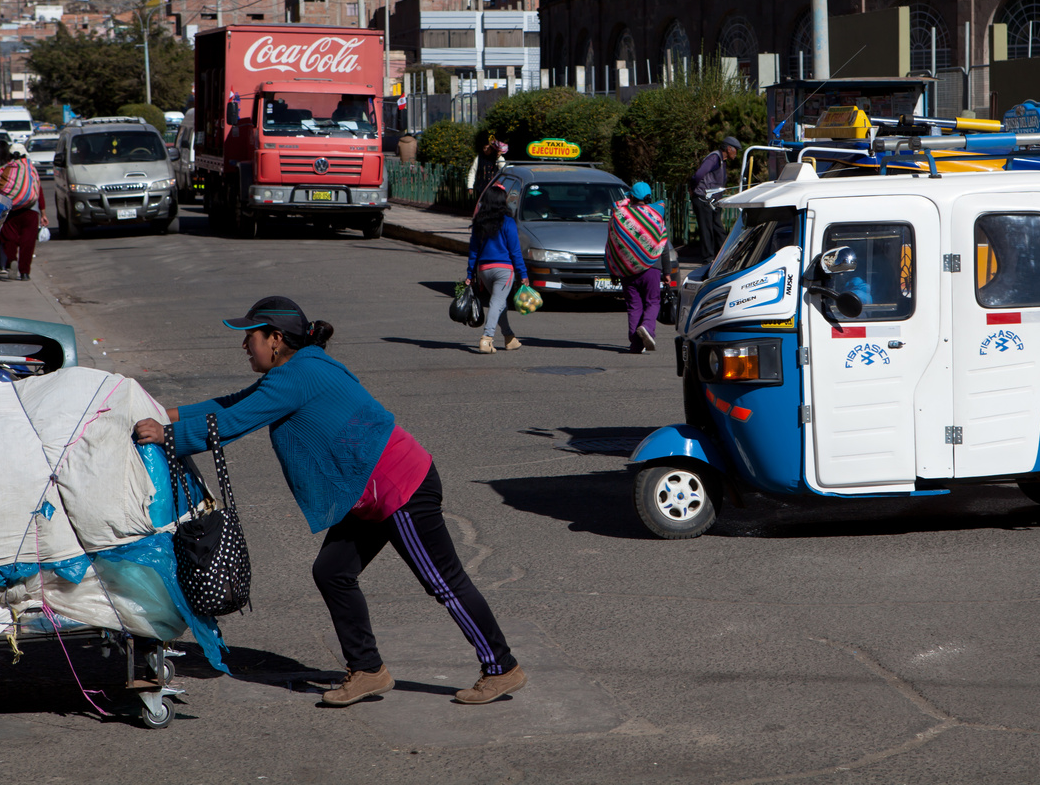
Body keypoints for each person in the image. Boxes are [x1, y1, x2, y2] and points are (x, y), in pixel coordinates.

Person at [130, 296, 525, 707]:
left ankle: (502, 666)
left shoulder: (295, 377)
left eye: (251, 336)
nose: (244, 345)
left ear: (276, 339)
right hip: (365, 488)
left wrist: (166, 435)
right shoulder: (298, 368)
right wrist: (165, 413)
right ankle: (369, 670)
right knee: (332, 571)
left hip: (396, 485)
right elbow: (234, 403)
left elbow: (234, 422)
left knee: (444, 581)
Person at [607, 181, 669, 353]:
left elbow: (612, 244)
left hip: (627, 269)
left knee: (634, 305)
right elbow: (663, 245)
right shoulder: (655, 215)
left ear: (631, 197)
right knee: (653, 301)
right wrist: (667, 271)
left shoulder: (620, 216)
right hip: (652, 268)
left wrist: (613, 270)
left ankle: (635, 344)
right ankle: (648, 327)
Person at [465, 184, 527, 354]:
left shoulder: (479, 222)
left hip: (484, 269)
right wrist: (523, 274)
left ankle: (509, 338)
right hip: (504, 270)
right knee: (497, 302)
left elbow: (474, 250)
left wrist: (470, 273)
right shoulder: (507, 222)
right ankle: (487, 338)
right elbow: (515, 251)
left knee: (499, 303)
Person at [0, 141, 47, 281]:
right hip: (31, 210)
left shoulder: (4, 170)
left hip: (11, 210)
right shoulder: (31, 170)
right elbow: (38, 191)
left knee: (9, 238)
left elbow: (0, 187)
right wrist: (43, 213)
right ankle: (24, 272)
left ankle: (11, 259)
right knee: (27, 242)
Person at [688, 136, 742, 261]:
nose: (736, 154)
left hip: (712, 201)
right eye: (735, 150)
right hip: (702, 198)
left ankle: (726, 256)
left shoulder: (722, 161)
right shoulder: (714, 158)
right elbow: (699, 175)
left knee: (718, 228)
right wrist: (693, 188)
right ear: (729, 149)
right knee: (707, 229)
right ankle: (708, 259)